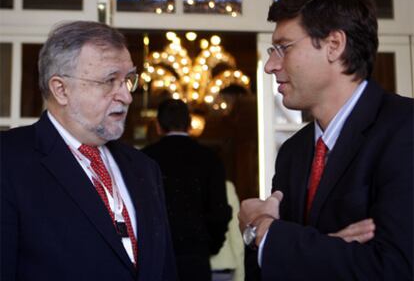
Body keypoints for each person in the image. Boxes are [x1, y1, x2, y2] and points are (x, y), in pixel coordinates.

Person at [238, 0, 413, 280]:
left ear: (334, 45)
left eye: (283, 48)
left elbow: (395, 269)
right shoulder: (293, 151)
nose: (269, 66)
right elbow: (266, 270)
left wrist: (265, 231)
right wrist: (322, 249)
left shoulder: (405, 129)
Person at [1, 21, 177, 281]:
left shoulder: (144, 168)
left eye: (128, 80)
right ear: (61, 89)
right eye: (109, 81)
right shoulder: (8, 161)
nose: (127, 97)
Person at [142, 98, 232, 281]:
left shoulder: (144, 159)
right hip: (196, 256)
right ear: (190, 124)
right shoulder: (209, 159)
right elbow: (220, 211)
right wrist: (210, 245)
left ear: (158, 126)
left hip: (156, 255)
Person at [211, 180, 244, 281]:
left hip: (187, 267)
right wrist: (240, 277)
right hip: (223, 269)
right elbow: (237, 237)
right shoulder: (225, 186)